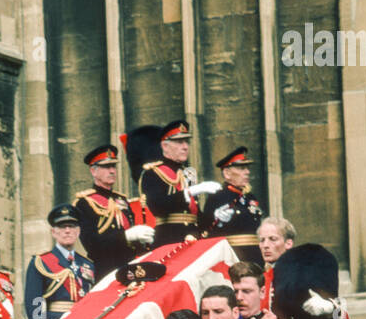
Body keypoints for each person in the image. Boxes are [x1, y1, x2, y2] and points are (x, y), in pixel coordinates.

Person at [72, 144, 153, 280]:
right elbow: (92, 245)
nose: (112, 171)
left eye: (113, 166)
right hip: (107, 270)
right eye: (106, 167)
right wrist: (125, 236)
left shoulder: (121, 199)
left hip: (132, 267)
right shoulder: (84, 203)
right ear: (93, 171)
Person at [137, 119, 218, 248]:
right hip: (169, 240)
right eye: (179, 142)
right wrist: (189, 192)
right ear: (165, 146)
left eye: (186, 142)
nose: (185, 147)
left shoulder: (188, 174)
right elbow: (158, 207)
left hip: (193, 239)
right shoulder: (152, 173)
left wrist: (216, 216)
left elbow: (194, 213)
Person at [24, 204, 95, 319]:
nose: (67, 231)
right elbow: (35, 300)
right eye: (62, 227)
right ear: (53, 232)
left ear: (78, 231)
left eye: (72, 226)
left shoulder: (87, 264)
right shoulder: (41, 262)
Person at [199, 147, 265, 262]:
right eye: (241, 168)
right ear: (227, 173)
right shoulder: (218, 197)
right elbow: (205, 228)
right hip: (233, 256)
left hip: (254, 255)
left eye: (247, 168)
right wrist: (215, 217)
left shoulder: (250, 197)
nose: (247, 172)